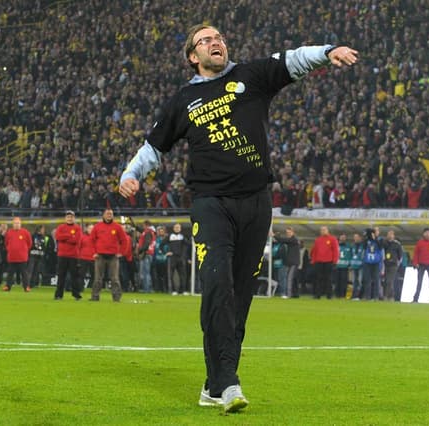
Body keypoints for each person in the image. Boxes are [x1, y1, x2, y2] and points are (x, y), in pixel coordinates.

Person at [118, 23, 357, 412]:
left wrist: (328, 51)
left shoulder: (252, 75)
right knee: (216, 285)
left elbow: (292, 59)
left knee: (241, 295)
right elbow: (154, 146)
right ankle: (229, 383)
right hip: (211, 203)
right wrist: (131, 174)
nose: (217, 42)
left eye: (219, 37)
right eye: (206, 40)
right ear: (193, 57)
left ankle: (215, 384)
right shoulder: (184, 100)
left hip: (256, 203)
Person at [89, 209, 127, 302]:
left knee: (114, 278)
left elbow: (124, 240)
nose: (109, 215)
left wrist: (121, 252)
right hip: (100, 256)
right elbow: (91, 240)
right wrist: (94, 252)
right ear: (103, 215)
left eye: (111, 214)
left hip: (113, 256)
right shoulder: (97, 227)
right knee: (98, 278)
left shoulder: (117, 227)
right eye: (107, 214)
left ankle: (116, 297)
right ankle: (95, 296)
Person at [54, 210, 83, 300]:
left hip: (73, 255)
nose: (70, 219)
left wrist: (65, 237)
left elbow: (76, 240)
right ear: (65, 218)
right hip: (62, 255)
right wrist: (70, 236)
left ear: (74, 218)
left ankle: (76, 294)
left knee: (74, 276)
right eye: (68, 217)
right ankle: (59, 294)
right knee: (61, 275)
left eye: (71, 217)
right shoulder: (60, 227)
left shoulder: (77, 228)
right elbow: (58, 237)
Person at [3, 217, 32, 292]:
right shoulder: (9, 232)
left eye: (18, 223)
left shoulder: (25, 232)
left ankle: (26, 287)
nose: (17, 225)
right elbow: (6, 243)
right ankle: (7, 286)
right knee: (10, 273)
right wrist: (10, 249)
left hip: (22, 257)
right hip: (12, 257)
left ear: (20, 224)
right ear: (13, 224)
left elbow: (30, 243)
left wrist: (24, 250)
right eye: (15, 223)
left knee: (24, 273)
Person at [310, 226, 339, 299]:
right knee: (319, 279)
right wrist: (313, 260)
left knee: (328, 279)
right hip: (319, 261)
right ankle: (318, 294)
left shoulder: (332, 239)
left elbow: (335, 250)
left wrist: (335, 261)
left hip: (329, 261)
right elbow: (314, 251)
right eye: (321, 230)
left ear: (327, 230)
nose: (323, 231)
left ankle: (329, 295)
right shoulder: (318, 240)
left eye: (324, 230)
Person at [273, 227, 300, 298]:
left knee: (289, 278)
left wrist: (274, 235)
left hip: (293, 263)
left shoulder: (294, 239)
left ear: (293, 232)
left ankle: (288, 294)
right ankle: (295, 294)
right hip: (290, 263)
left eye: (289, 232)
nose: (288, 234)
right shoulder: (292, 240)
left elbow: (283, 240)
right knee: (293, 279)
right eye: (287, 233)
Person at [167, 222, 190, 295]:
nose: (177, 229)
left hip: (181, 258)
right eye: (176, 227)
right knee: (171, 274)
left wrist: (184, 256)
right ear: (173, 228)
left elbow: (188, 245)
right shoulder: (170, 236)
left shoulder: (183, 236)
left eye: (178, 227)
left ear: (180, 228)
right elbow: (162, 244)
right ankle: (173, 290)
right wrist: (167, 252)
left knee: (183, 275)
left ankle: (182, 290)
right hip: (173, 258)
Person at [361, 228, 383, 301]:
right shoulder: (367, 240)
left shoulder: (380, 239)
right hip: (367, 262)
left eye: (376, 231)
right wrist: (367, 237)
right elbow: (363, 246)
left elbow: (381, 247)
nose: (374, 233)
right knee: (367, 280)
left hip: (376, 263)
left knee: (376, 280)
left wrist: (375, 239)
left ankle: (376, 297)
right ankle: (367, 296)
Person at [382, 230, 403, 301]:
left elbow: (400, 256)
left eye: (391, 234)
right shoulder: (384, 243)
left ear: (394, 236)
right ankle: (390, 296)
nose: (390, 235)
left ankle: (386, 296)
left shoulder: (397, 244)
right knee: (385, 281)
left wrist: (397, 264)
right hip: (385, 264)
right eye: (388, 234)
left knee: (389, 281)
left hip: (393, 265)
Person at [136, 220, 156, 293]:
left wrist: (140, 250)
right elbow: (141, 230)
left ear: (146, 225)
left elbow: (147, 243)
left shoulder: (148, 233)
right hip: (149, 253)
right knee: (146, 272)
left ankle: (146, 289)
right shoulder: (150, 232)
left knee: (145, 272)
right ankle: (147, 288)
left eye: (143, 225)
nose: (143, 227)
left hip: (146, 253)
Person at [334, 233, 352, 299]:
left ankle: (343, 295)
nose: (343, 238)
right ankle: (337, 294)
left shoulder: (348, 246)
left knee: (344, 281)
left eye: (344, 237)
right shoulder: (336, 245)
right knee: (337, 281)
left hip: (345, 266)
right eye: (342, 237)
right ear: (340, 237)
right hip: (337, 266)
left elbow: (350, 255)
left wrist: (349, 264)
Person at [78, 224, 95, 290]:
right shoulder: (82, 237)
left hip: (93, 258)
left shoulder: (96, 237)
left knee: (94, 275)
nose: (91, 230)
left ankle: (94, 289)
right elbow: (79, 247)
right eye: (90, 228)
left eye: (92, 228)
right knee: (81, 275)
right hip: (83, 258)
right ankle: (80, 288)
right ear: (87, 229)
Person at [349, 233, 364, 300]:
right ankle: (354, 295)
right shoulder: (352, 246)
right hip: (354, 266)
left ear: (360, 238)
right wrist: (350, 265)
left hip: (361, 266)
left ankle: (359, 295)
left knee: (360, 281)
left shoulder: (363, 246)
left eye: (357, 237)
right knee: (354, 281)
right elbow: (350, 256)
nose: (356, 238)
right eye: (354, 237)